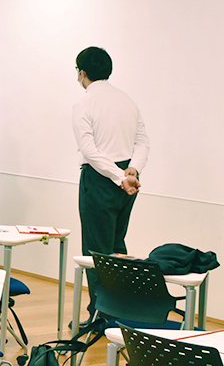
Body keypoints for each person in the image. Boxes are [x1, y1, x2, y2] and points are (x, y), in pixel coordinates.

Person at [71, 47, 150, 323]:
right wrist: (132, 170)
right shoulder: (127, 100)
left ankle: (100, 314)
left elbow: (90, 151)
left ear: (82, 72)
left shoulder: (84, 103)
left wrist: (118, 176)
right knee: (117, 245)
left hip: (100, 179)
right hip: (128, 178)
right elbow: (143, 141)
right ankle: (119, 311)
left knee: (97, 251)